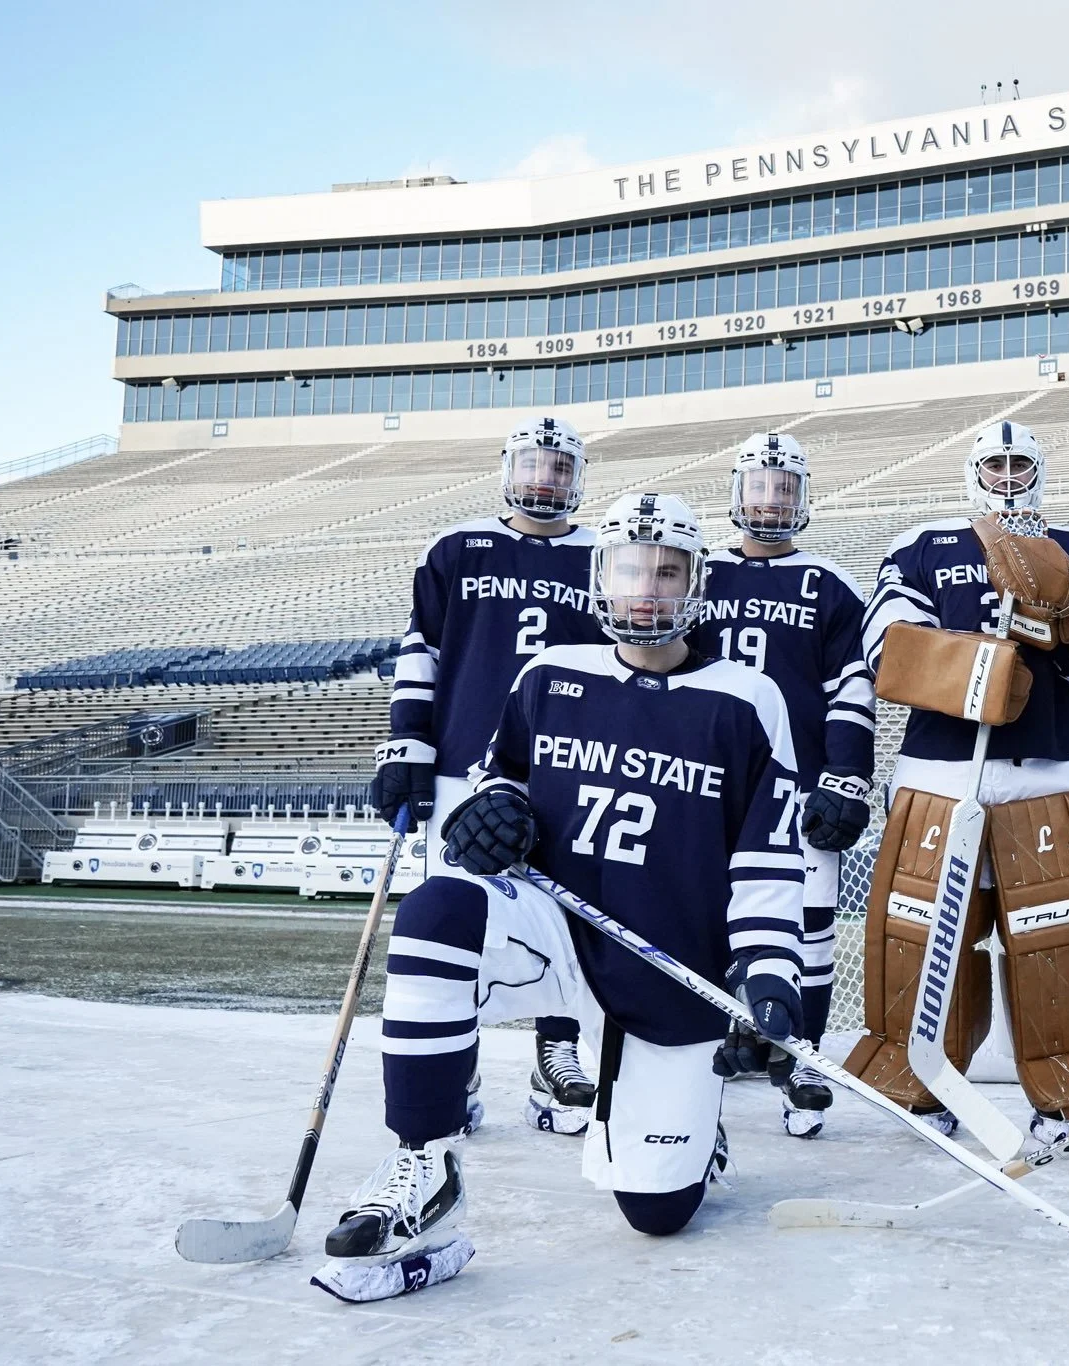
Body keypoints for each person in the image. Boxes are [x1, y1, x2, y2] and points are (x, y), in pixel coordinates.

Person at [313, 492, 806, 1304]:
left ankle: (689, 1124)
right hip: (556, 930)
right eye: (629, 570)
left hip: (668, 961)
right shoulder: (548, 675)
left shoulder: (749, 700)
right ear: (600, 577)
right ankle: (424, 1163)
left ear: (697, 583)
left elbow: (766, 860)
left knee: (657, 1214)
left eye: (667, 572)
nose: (645, 588)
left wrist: (769, 974)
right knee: (436, 910)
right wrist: (486, 815)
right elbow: (496, 782)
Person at [858, 419, 1069, 1146]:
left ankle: (1065, 1097)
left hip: (1049, 761)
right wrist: (986, 669)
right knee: (929, 930)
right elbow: (886, 648)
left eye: (1019, 464)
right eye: (995, 464)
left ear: (1038, 470)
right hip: (942, 764)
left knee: (1056, 932)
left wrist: (1063, 618)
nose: (1007, 476)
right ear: (974, 471)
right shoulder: (922, 544)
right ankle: (921, 1087)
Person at [370, 415, 606, 1135]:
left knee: (568, 918)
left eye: (559, 467)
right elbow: (422, 650)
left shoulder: (604, 554)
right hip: (460, 768)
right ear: (508, 469)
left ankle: (556, 1055)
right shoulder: (455, 547)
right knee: (455, 919)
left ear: (578, 478)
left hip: (563, 771)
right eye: (534, 464)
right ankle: (457, 1066)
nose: (545, 478)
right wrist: (406, 744)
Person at [694, 431, 875, 1138]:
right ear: (735, 493)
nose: (770, 500)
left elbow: (851, 687)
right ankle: (712, 1039)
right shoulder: (698, 569)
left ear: (803, 498)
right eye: (759, 485)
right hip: (710, 778)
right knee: (706, 920)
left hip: (797, 784)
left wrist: (847, 776)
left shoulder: (828, 582)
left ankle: (805, 1055)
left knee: (810, 924)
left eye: (784, 487)